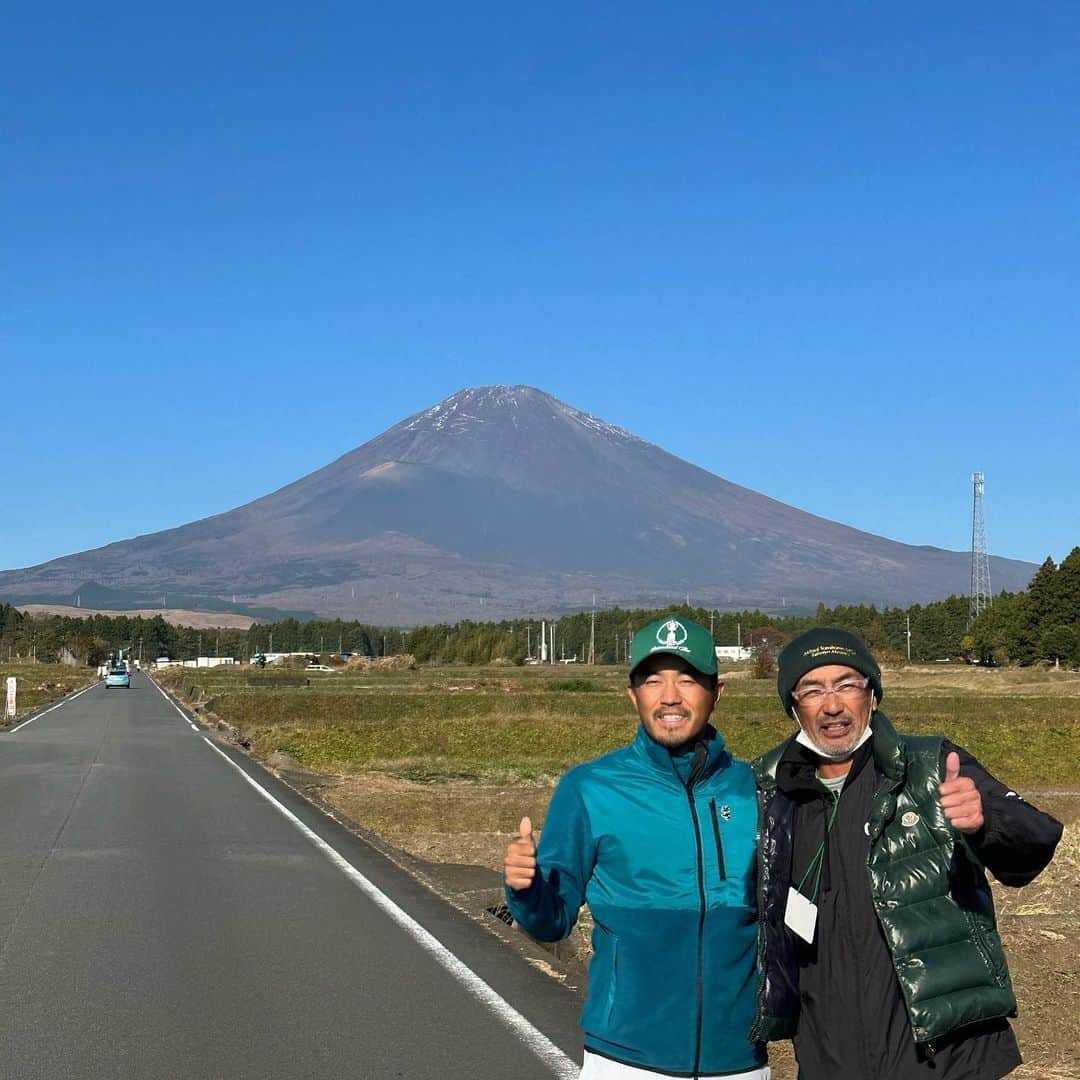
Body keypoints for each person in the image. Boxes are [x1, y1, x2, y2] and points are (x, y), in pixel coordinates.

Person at [751, 627, 1063, 1079]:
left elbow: (1035, 840)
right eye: (813, 690)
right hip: (830, 1054)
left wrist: (986, 823)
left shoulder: (931, 765)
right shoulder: (772, 794)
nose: (833, 704)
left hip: (943, 1055)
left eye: (847, 685)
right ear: (794, 706)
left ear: (872, 697)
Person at [505, 616, 769, 1079]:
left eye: (688, 680)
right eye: (653, 681)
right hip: (626, 1059)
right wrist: (526, 890)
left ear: (717, 692)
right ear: (632, 694)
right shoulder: (590, 788)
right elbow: (553, 921)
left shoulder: (755, 790)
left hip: (739, 1060)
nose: (670, 696)